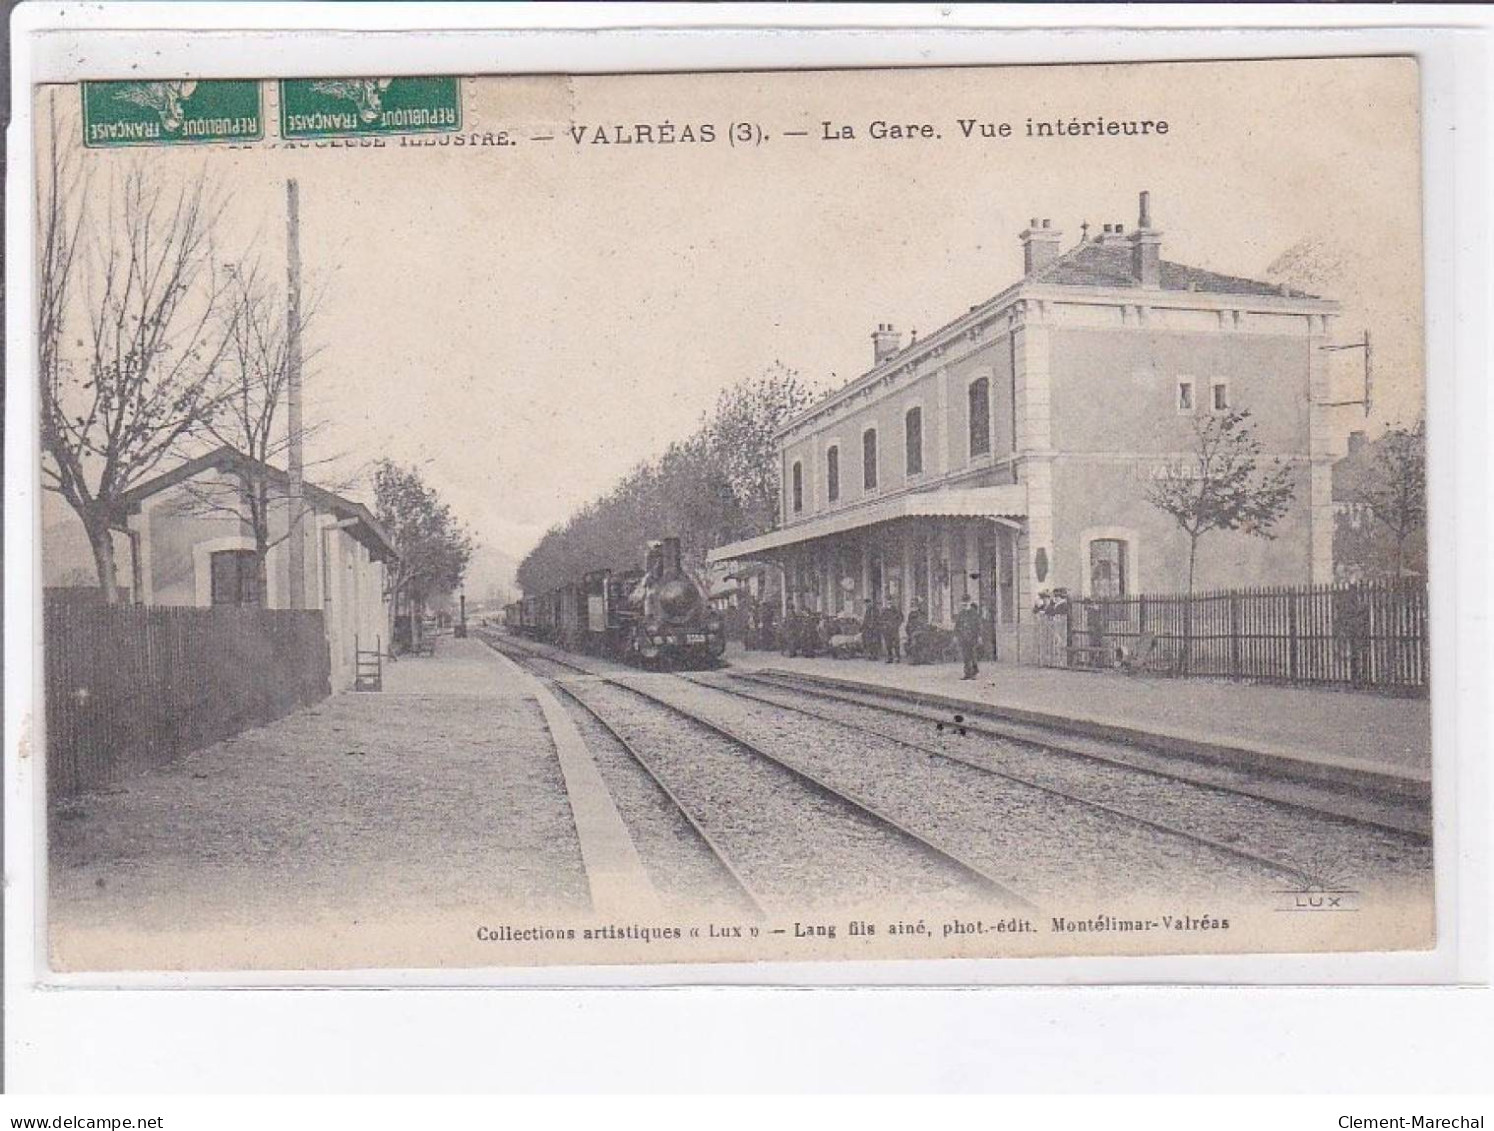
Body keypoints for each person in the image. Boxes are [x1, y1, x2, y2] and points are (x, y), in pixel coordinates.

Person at [955, 595, 982, 680]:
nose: (964, 604)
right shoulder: (961, 613)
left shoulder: (974, 613)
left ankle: (975, 672)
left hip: (972, 637)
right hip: (963, 637)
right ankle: (967, 673)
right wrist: (956, 635)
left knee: (973, 655)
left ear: (969, 602)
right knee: (965, 656)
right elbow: (957, 625)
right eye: (963, 603)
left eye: (966, 602)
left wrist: (979, 636)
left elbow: (978, 626)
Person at [905, 598, 929, 664]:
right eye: (912, 604)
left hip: (922, 631)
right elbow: (909, 624)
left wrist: (923, 628)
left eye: (915, 604)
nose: (914, 605)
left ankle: (924, 659)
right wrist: (909, 631)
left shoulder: (922, 613)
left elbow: (924, 622)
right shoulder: (911, 614)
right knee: (914, 643)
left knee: (925, 641)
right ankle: (915, 659)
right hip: (914, 632)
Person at [883, 597, 904, 663]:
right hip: (887, 629)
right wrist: (885, 624)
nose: (889, 604)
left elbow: (901, 618)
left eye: (891, 602)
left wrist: (897, 625)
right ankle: (890, 657)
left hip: (894, 629)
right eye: (888, 602)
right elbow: (881, 619)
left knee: (896, 644)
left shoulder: (896, 610)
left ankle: (897, 657)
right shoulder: (884, 611)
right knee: (888, 644)